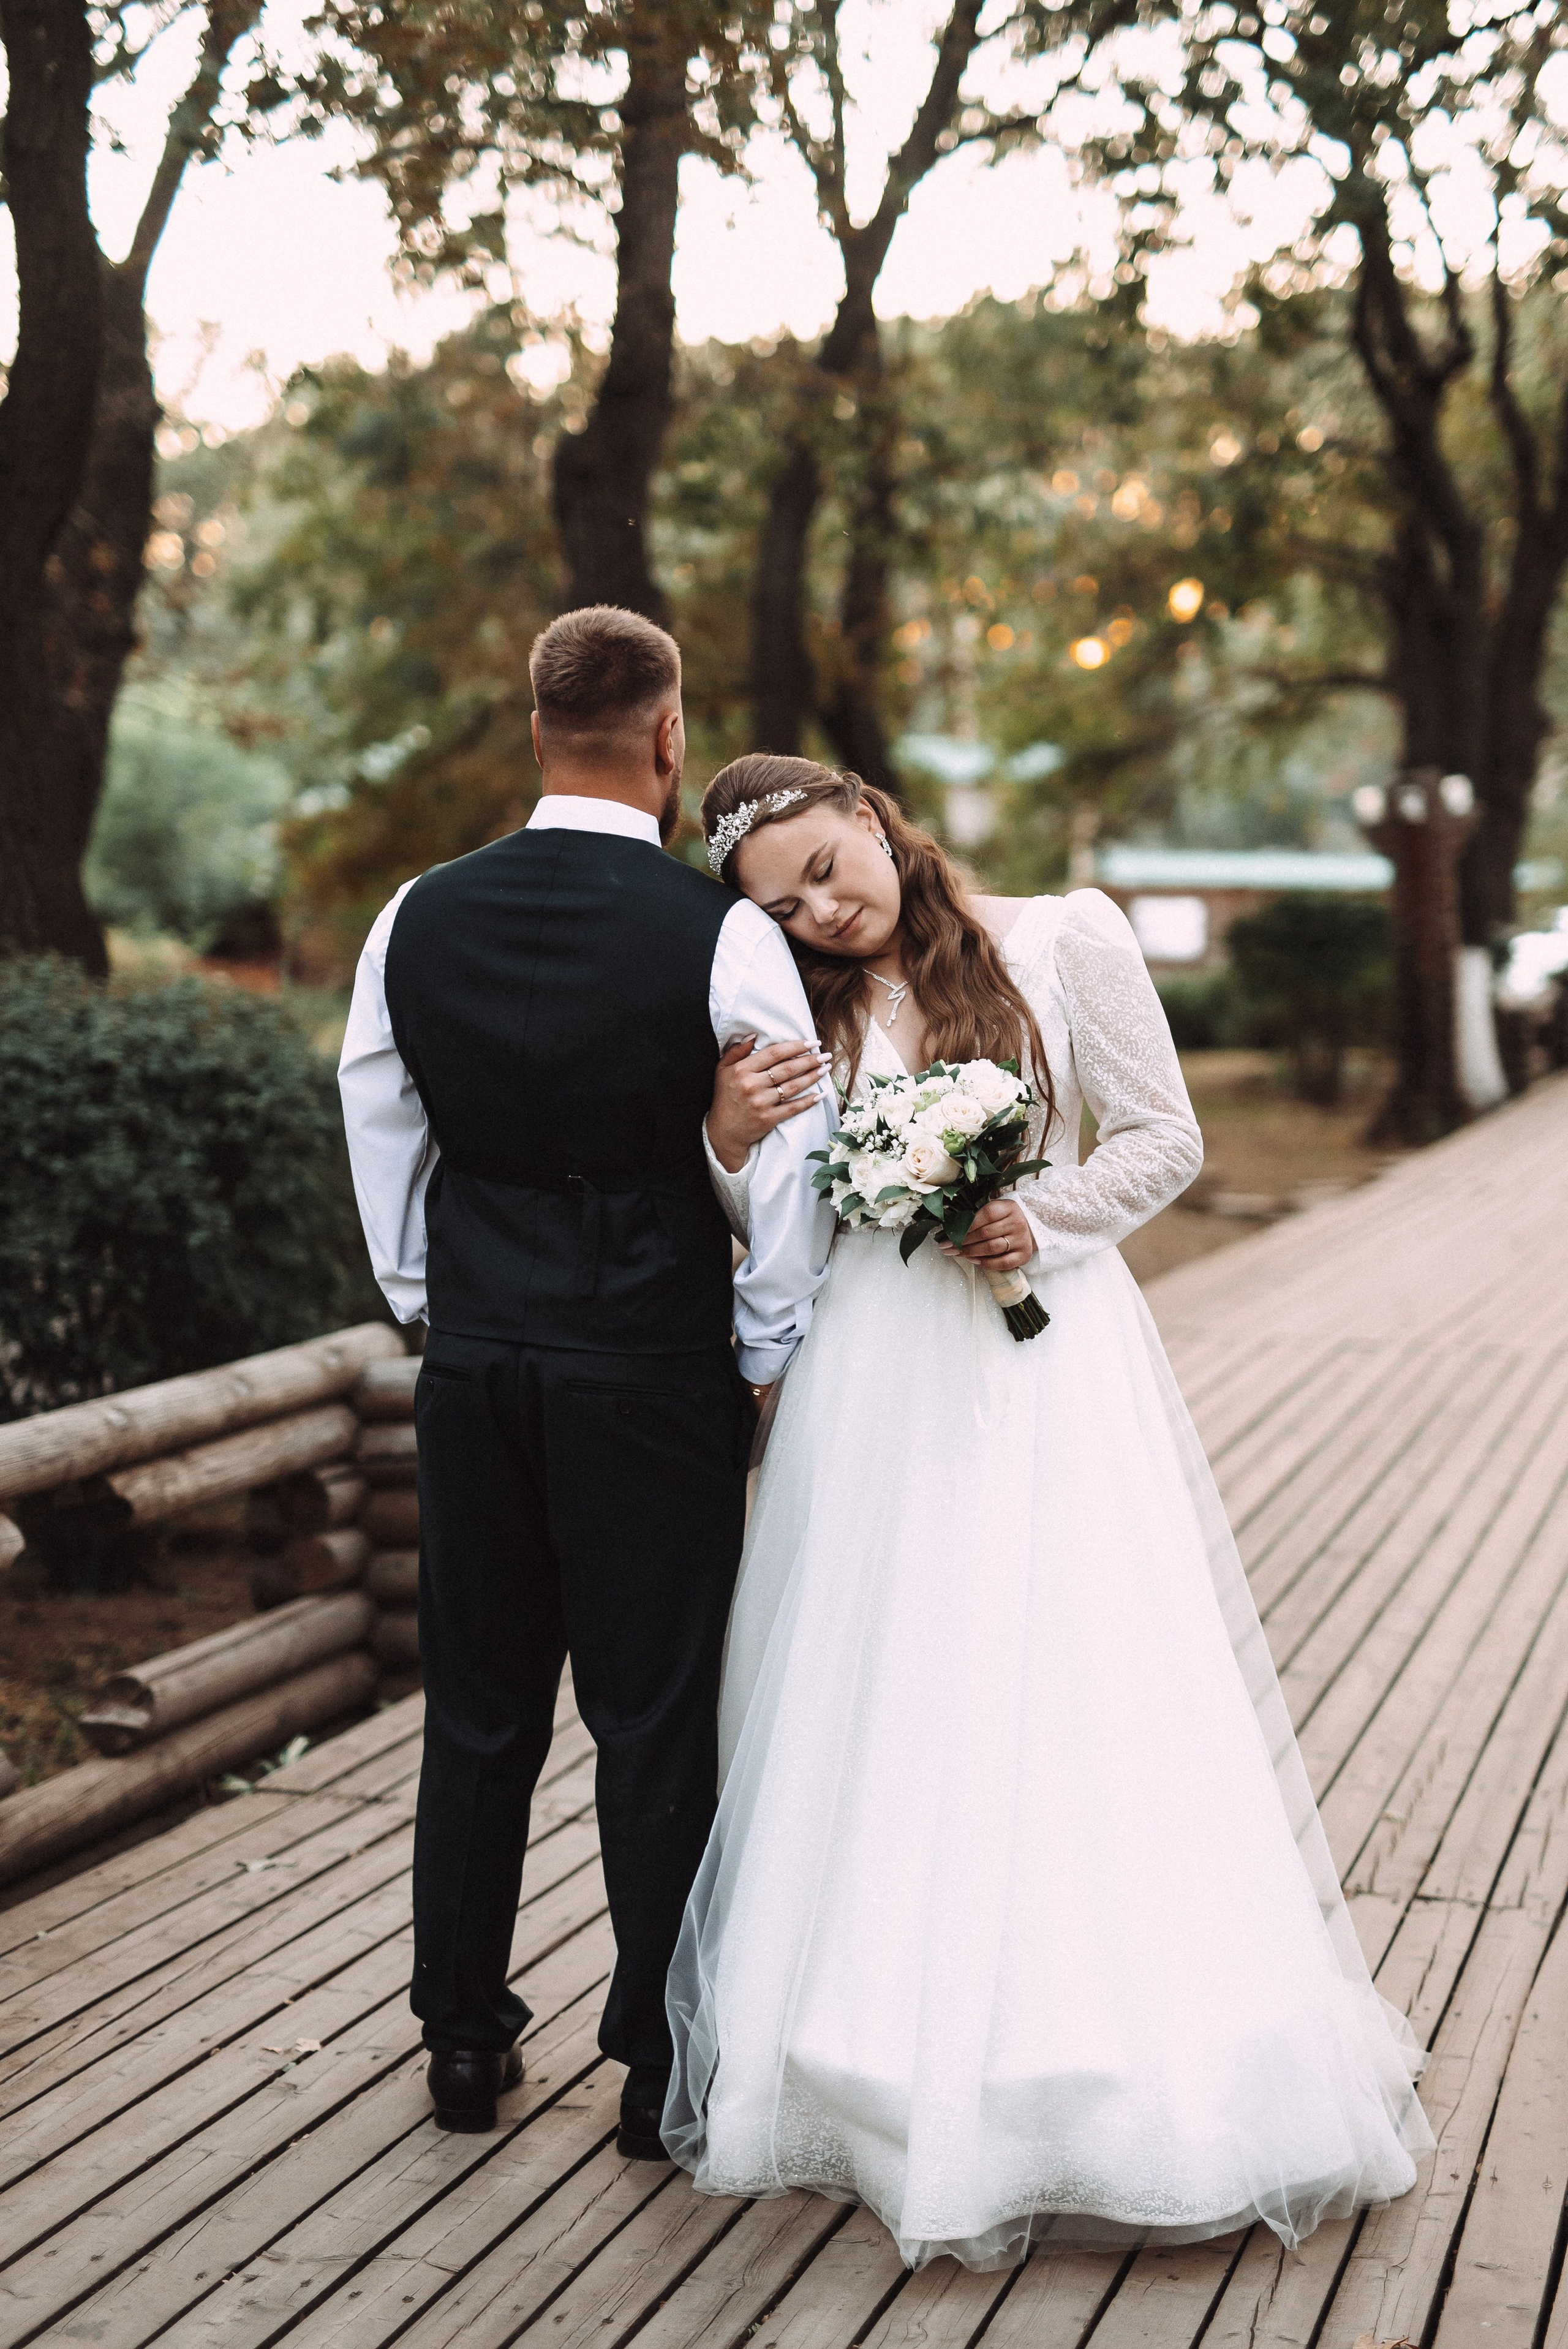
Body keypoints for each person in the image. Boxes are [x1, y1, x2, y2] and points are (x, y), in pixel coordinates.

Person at [665, 754, 1433, 2271]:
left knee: (1073, 1667)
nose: (823, 910)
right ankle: (867, 2040)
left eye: (826, 866)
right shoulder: (802, 1010)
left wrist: (1040, 1214)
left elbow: (1163, 1138)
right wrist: (727, 1139)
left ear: (870, 817)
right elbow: (780, 1218)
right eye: (787, 905)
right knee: (892, 1685)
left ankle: (1110, 2037)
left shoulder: (1064, 936)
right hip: (867, 1383)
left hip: (1042, 1363)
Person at [337, 613, 833, 2154]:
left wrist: (432, 1302)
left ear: (536, 728)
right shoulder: (720, 932)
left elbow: (378, 1113)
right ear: (669, 737)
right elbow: (792, 1152)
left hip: (478, 1360)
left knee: (479, 1706)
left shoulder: (415, 915)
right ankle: (651, 2063)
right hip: (652, 1368)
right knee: (654, 1715)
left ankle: (460, 2038)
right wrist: (765, 1345)